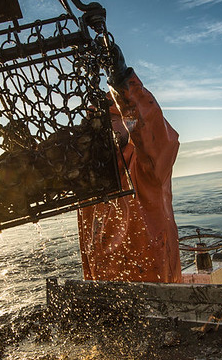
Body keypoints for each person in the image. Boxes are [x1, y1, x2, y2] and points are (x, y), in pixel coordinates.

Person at [77, 45, 182, 283]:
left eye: (112, 120)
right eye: (98, 122)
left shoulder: (147, 168)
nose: (104, 129)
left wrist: (122, 80)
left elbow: (154, 132)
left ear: (127, 120)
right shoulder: (88, 175)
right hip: (103, 293)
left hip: (158, 288)